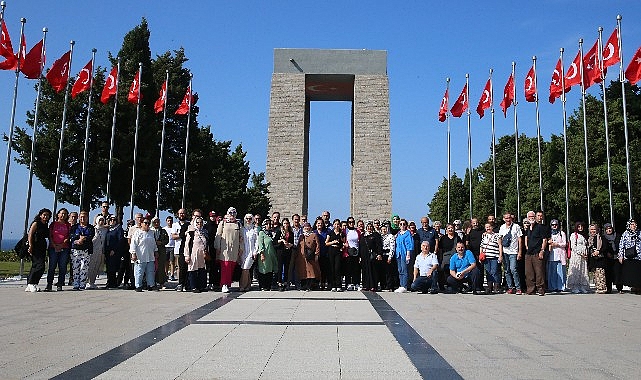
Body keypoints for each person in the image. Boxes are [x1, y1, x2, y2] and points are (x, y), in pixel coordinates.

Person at [214, 207, 243, 293]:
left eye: (234, 213)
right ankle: (224, 284)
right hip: (224, 249)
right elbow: (218, 235)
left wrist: (241, 248)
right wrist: (217, 247)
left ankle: (228, 283)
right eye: (230, 213)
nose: (232, 215)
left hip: (234, 249)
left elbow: (241, 237)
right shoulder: (223, 223)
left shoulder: (238, 224)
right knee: (225, 266)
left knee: (231, 266)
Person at [25, 208, 52, 293]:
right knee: (40, 266)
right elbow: (30, 234)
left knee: (35, 265)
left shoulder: (45, 225)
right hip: (35, 246)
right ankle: (32, 283)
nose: (46, 216)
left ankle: (31, 284)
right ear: (40, 215)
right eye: (44, 215)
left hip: (42, 246)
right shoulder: (36, 223)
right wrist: (30, 245)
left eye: (47, 215)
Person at [129, 218, 158, 292]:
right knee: (139, 272)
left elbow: (154, 243)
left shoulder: (152, 232)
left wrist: (156, 251)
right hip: (140, 256)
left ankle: (151, 285)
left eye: (148, 223)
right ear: (141, 224)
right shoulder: (137, 233)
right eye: (145, 223)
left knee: (150, 271)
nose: (147, 224)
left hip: (150, 256)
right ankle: (138, 286)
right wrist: (133, 254)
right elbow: (133, 244)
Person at [45, 208, 70, 292]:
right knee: (52, 266)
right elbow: (50, 235)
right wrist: (54, 245)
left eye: (65, 214)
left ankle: (60, 283)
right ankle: (49, 284)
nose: (63, 215)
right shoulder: (53, 224)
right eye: (61, 213)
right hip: (53, 248)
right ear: (58, 214)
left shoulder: (68, 225)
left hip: (64, 248)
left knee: (62, 266)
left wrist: (62, 245)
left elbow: (68, 236)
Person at [524, 210, 548, 296]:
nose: (531, 218)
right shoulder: (528, 228)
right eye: (529, 217)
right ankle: (530, 290)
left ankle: (540, 289)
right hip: (529, 253)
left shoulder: (540, 227)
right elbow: (526, 238)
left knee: (539, 272)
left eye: (533, 217)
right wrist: (526, 247)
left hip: (537, 252)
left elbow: (544, 240)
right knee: (529, 272)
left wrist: (542, 250)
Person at [70, 211, 95, 291]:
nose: (83, 218)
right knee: (75, 267)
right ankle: (76, 283)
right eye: (81, 217)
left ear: (87, 218)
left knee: (84, 267)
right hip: (76, 250)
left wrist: (83, 238)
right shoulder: (74, 227)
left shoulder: (90, 227)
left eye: (84, 217)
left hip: (86, 250)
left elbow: (91, 236)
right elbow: (72, 235)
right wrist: (77, 240)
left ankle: (82, 284)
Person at [499, 212, 523, 295]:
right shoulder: (502, 227)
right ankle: (510, 287)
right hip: (505, 252)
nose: (508, 219)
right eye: (506, 218)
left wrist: (519, 252)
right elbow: (500, 241)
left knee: (513, 269)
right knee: (507, 270)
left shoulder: (516, 227)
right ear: (503, 219)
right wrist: (500, 254)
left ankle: (518, 287)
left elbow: (520, 239)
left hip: (513, 252)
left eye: (509, 218)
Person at [184, 216, 208, 293]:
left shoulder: (204, 232)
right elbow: (187, 244)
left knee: (201, 270)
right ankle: (193, 286)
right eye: (197, 222)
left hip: (202, 254)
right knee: (192, 269)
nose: (199, 224)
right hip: (193, 254)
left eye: (201, 222)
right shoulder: (191, 232)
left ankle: (201, 286)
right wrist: (187, 255)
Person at [567, 222, 590, 294]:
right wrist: (580, 253)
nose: (580, 228)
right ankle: (574, 286)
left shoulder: (584, 236)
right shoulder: (574, 235)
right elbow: (573, 246)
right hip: (576, 256)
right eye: (579, 226)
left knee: (583, 271)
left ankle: (582, 286)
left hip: (583, 257)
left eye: (581, 226)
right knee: (576, 271)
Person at [619, 219, 641, 294]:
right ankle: (633, 287)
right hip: (629, 256)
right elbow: (621, 245)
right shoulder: (625, 234)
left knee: (638, 273)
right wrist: (620, 256)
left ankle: (638, 287)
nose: (634, 226)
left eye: (635, 224)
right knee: (631, 273)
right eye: (632, 224)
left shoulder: (639, 233)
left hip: (638, 256)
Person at [297, 222, 321, 290]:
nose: (307, 228)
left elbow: (317, 245)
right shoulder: (301, 236)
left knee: (312, 271)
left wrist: (317, 254)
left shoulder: (314, 235)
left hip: (311, 256)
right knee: (303, 271)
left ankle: (311, 285)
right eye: (305, 227)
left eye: (308, 227)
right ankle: (304, 285)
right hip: (302, 257)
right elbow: (299, 245)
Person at [480, 222, 502, 294]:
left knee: (494, 272)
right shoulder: (484, 236)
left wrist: (500, 255)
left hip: (494, 256)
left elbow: (500, 245)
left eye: (489, 226)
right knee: (488, 272)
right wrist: (481, 255)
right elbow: (482, 246)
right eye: (486, 227)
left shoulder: (497, 235)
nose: (488, 228)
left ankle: (496, 287)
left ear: (492, 227)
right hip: (486, 257)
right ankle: (489, 287)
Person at [86, 215, 107, 289]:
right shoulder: (93, 229)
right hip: (93, 250)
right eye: (100, 220)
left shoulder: (105, 230)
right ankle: (87, 282)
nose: (101, 222)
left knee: (97, 267)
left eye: (102, 220)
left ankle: (92, 282)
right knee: (91, 266)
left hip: (100, 251)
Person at [104, 215, 126, 289]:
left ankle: (113, 283)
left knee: (112, 268)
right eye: (111, 219)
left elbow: (120, 240)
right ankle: (109, 282)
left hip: (114, 252)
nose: (112, 221)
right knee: (108, 268)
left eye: (114, 220)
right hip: (107, 251)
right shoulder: (108, 229)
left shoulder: (118, 229)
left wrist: (114, 250)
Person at [256, 219, 278, 290]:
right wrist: (262, 253)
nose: (269, 226)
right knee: (263, 270)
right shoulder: (261, 233)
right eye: (267, 224)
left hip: (271, 255)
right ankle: (262, 285)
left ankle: (268, 286)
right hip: (264, 254)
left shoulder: (272, 233)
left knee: (270, 270)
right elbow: (260, 243)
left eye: (270, 224)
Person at [438, 223, 460, 291]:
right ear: (446, 229)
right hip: (445, 257)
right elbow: (440, 249)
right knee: (444, 271)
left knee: (453, 270)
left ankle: (453, 285)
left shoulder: (457, 238)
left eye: (452, 228)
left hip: (455, 257)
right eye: (449, 228)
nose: (450, 229)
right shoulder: (443, 238)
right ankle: (444, 285)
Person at [360, 221, 382, 291]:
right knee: (365, 270)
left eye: (370, 226)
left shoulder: (376, 235)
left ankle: (373, 286)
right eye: (368, 227)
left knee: (373, 271)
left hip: (372, 255)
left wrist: (379, 254)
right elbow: (361, 246)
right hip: (364, 256)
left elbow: (379, 245)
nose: (369, 228)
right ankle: (366, 285)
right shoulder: (363, 236)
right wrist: (360, 256)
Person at [546, 219, 567, 292]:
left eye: (556, 224)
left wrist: (557, 244)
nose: (554, 226)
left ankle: (560, 287)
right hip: (551, 255)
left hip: (559, 255)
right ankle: (552, 287)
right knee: (552, 272)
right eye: (552, 225)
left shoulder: (561, 233)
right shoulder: (549, 233)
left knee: (560, 271)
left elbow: (564, 244)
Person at [393, 219, 413, 293]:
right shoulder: (398, 233)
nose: (402, 225)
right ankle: (401, 285)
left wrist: (408, 254)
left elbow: (409, 244)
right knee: (400, 270)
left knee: (404, 270)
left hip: (404, 253)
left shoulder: (407, 233)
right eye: (400, 224)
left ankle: (404, 285)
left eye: (404, 224)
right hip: (398, 253)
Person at [239, 214, 258, 291]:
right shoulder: (242, 229)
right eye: (247, 218)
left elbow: (256, 241)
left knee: (245, 268)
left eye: (250, 218)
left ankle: (242, 285)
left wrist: (255, 252)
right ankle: (248, 285)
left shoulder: (255, 229)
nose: (248, 220)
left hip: (251, 252)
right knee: (245, 268)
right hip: (243, 252)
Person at [275, 217, 294, 291]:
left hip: (288, 251)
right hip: (280, 251)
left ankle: (285, 282)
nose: (286, 225)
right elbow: (275, 241)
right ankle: (279, 282)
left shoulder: (291, 233)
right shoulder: (279, 232)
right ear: (282, 224)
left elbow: (293, 242)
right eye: (284, 223)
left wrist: (289, 244)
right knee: (280, 267)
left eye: (287, 223)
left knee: (287, 267)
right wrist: (282, 240)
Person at [325, 218, 344, 292]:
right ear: (333, 225)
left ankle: (339, 285)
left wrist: (342, 246)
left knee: (337, 268)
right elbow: (326, 243)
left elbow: (344, 243)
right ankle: (333, 285)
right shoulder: (330, 232)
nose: (336, 225)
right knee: (331, 268)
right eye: (335, 224)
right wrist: (333, 242)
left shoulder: (342, 233)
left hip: (338, 251)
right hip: (331, 251)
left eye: (338, 224)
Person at [602, 223, 622, 293]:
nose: (609, 230)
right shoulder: (604, 237)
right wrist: (607, 253)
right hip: (608, 258)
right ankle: (609, 289)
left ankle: (619, 288)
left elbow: (621, 245)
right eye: (607, 229)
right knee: (608, 273)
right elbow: (603, 247)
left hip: (617, 257)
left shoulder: (617, 236)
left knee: (618, 272)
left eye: (610, 228)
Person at [587, 223, 607, 294]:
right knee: (595, 274)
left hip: (600, 258)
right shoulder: (589, 238)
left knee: (600, 274)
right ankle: (597, 287)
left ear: (597, 229)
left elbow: (605, 247)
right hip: (593, 260)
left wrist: (598, 251)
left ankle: (602, 288)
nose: (593, 231)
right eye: (591, 229)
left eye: (594, 229)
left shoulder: (601, 237)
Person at [151, 217, 169, 288]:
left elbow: (167, 240)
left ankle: (161, 282)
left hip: (161, 251)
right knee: (152, 267)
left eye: (157, 222)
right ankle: (152, 282)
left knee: (161, 267)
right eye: (155, 222)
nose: (156, 223)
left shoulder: (163, 231)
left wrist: (161, 242)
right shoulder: (150, 231)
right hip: (151, 251)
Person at [174, 209, 190, 291]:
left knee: (187, 267)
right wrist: (183, 234)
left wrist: (179, 235)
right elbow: (173, 236)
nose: (182, 215)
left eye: (183, 213)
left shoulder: (189, 224)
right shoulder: (175, 224)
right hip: (178, 249)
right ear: (178, 214)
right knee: (180, 267)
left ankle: (187, 284)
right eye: (180, 213)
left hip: (188, 248)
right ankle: (180, 283)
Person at [344, 217, 361, 291]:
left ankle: (356, 283)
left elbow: (359, 241)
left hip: (356, 252)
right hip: (348, 252)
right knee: (348, 269)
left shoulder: (357, 231)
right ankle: (348, 283)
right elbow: (341, 240)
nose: (351, 223)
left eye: (352, 222)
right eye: (350, 222)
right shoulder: (345, 231)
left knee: (356, 269)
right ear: (347, 223)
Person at [313, 217, 329, 290]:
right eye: (318, 223)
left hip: (324, 253)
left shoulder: (326, 232)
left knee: (323, 269)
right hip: (315, 254)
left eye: (321, 223)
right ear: (316, 224)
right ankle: (316, 283)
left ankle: (322, 283)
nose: (320, 224)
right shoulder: (313, 232)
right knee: (316, 269)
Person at [381, 223, 398, 291]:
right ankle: (384, 285)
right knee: (383, 271)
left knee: (389, 272)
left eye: (385, 229)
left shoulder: (391, 236)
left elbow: (392, 247)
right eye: (382, 229)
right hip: (383, 255)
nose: (384, 230)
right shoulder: (381, 236)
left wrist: (390, 256)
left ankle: (390, 286)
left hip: (388, 255)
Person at [205, 211, 219, 290]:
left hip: (215, 248)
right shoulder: (206, 226)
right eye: (211, 216)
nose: (213, 218)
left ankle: (215, 283)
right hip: (208, 248)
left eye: (214, 216)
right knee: (208, 267)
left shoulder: (217, 226)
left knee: (215, 267)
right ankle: (209, 283)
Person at [163, 216, 178, 281]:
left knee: (172, 261)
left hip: (173, 246)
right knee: (166, 262)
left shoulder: (174, 228)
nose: (170, 222)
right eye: (168, 221)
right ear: (166, 221)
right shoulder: (164, 229)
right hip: (166, 247)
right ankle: (166, 274)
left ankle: (172, 275)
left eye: (171, 221)